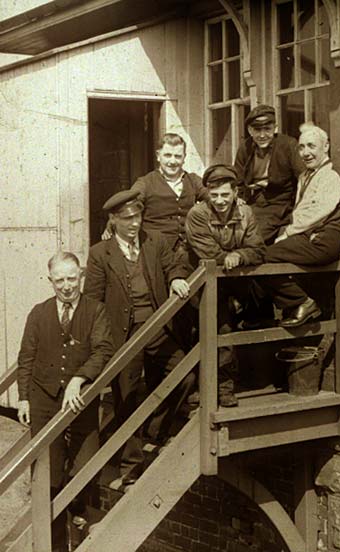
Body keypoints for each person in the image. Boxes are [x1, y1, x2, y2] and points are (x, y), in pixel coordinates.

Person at [84, 189, 194, 484]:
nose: (135, 224)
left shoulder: (154, 240)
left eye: (138, 216)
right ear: (114, 220)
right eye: (128, 218)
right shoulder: (99, 254)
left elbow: (175, 265)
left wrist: (176, 278)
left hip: (158, 328)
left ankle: (155, 434)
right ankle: (130, 468)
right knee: (126, 398)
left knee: (184, 376)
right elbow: (93, 302)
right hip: (124, 338)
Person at [17, 252, 114, 552]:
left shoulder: (95, 311)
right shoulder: (38, 313)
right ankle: (55, 546)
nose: (67, 285)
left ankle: (81, 524)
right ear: (51, 282)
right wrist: (23, 399)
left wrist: (79, 379)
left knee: (84, 470)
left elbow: (103, 350)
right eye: (59, 280)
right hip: (43, 403)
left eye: (72, 278)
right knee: (49, 478)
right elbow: (26, 359)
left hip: (79, 403)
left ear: (81, 276)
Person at [185, 164, 266, 406]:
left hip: (232, 277)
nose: (220, 201)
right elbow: (208, 252)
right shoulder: (197, 214)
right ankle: (205, 388)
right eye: (214, 195)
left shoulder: (246, 213)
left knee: (229, 332)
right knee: (210, 331)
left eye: (225, 195)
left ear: (235, 194)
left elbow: (258, 249)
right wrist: (231, 256)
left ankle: (226, 387)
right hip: (202, 281)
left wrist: (240, 256)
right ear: (207, 193)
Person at [258, 122, 340, 327]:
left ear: (325, 147)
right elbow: (300, 211)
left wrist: (287, 233)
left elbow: (317, 213)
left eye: (311, 146)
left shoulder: (332, 173)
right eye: (301, 147)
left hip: (322, 242)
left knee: (262, 256)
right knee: (260, 253)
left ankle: (302, 303)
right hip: (307, 238)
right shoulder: (305, 175)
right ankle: (266, 312)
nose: (305, 152)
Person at [103, 133, 208, 252]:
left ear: (184, 158)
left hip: (189, 250)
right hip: (155, 251)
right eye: (168, 155)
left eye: (178, 156)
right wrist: (111, 225)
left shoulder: (194, 180)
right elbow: (128, 204)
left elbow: (214, 199)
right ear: (158, 156)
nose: (172, 161)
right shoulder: (146, 182)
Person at [234, 104, 305, 245]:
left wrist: (299, 207)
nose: (262, 135)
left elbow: (303, 177)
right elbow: (237, 180)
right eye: (257, 130)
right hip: (252, 202)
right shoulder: (245, 148)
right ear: (250, 130)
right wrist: (239, 198)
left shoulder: (288, 145)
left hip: (280, 203)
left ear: (275, 128)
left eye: (267, 129)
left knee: (253, 235)